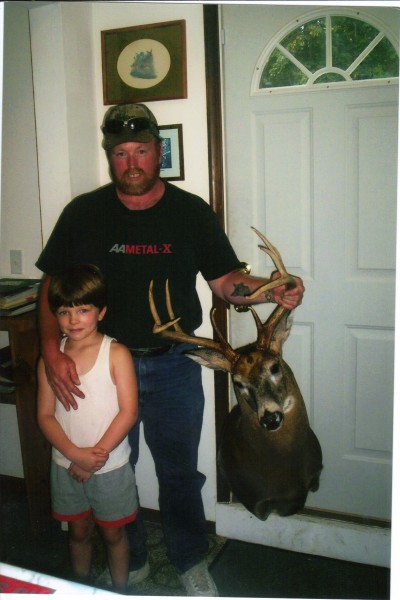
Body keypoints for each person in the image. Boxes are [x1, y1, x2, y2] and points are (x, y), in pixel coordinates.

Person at [36, 103, 305, 596]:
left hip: (174, 368)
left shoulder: (191, 212)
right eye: (121, 153)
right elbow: (50, 282)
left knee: (179, 472)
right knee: (116, 469)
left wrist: (270, 289)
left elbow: (226, 282)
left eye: (141, 150)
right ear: (109, 155)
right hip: (103, 368)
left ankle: (188, 561)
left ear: (157, 151)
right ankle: (131, 558)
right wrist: (51, 353)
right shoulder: (84, 213)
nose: (132, 162)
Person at [37, 264, 139, 594]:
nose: (73, 320)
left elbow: (128, 412)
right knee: (78, 532)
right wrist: (75, 456)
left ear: (101, 311)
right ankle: (79, 588)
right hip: (66, 465)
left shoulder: (117, 353)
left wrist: (94, 457)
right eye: (64, 312)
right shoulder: (49, 361)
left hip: (109, 467)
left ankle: (118, 589)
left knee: (113, 533)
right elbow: (45, 416)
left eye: (83, 310)